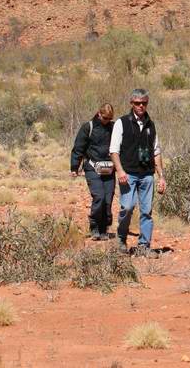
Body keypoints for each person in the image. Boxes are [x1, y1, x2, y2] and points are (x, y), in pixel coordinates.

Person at [110, 88, 166, 255]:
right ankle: (121, 239)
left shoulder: (151, 124)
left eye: (144, 103)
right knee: (127, 207)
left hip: (147, 175)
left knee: (147, 211)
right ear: (131, 103)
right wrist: (120, 171)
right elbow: (114, 151)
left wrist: (161, 176)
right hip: (128, 174)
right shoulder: (122, 123)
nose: (141, 106)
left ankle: (144, 246)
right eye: (137, 103)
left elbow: (156, 151)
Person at [70, 102, 116, 241]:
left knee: (108, 200)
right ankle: (94, 227)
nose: (107, 121)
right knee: (99, 197)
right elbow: (78, 147)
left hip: (109, 168)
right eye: (105, 118)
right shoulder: (88, 127)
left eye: (109, 118)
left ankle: (104, 229)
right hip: (92, 167)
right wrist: (74, 167)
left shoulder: (114, 128)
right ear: (99, 114)